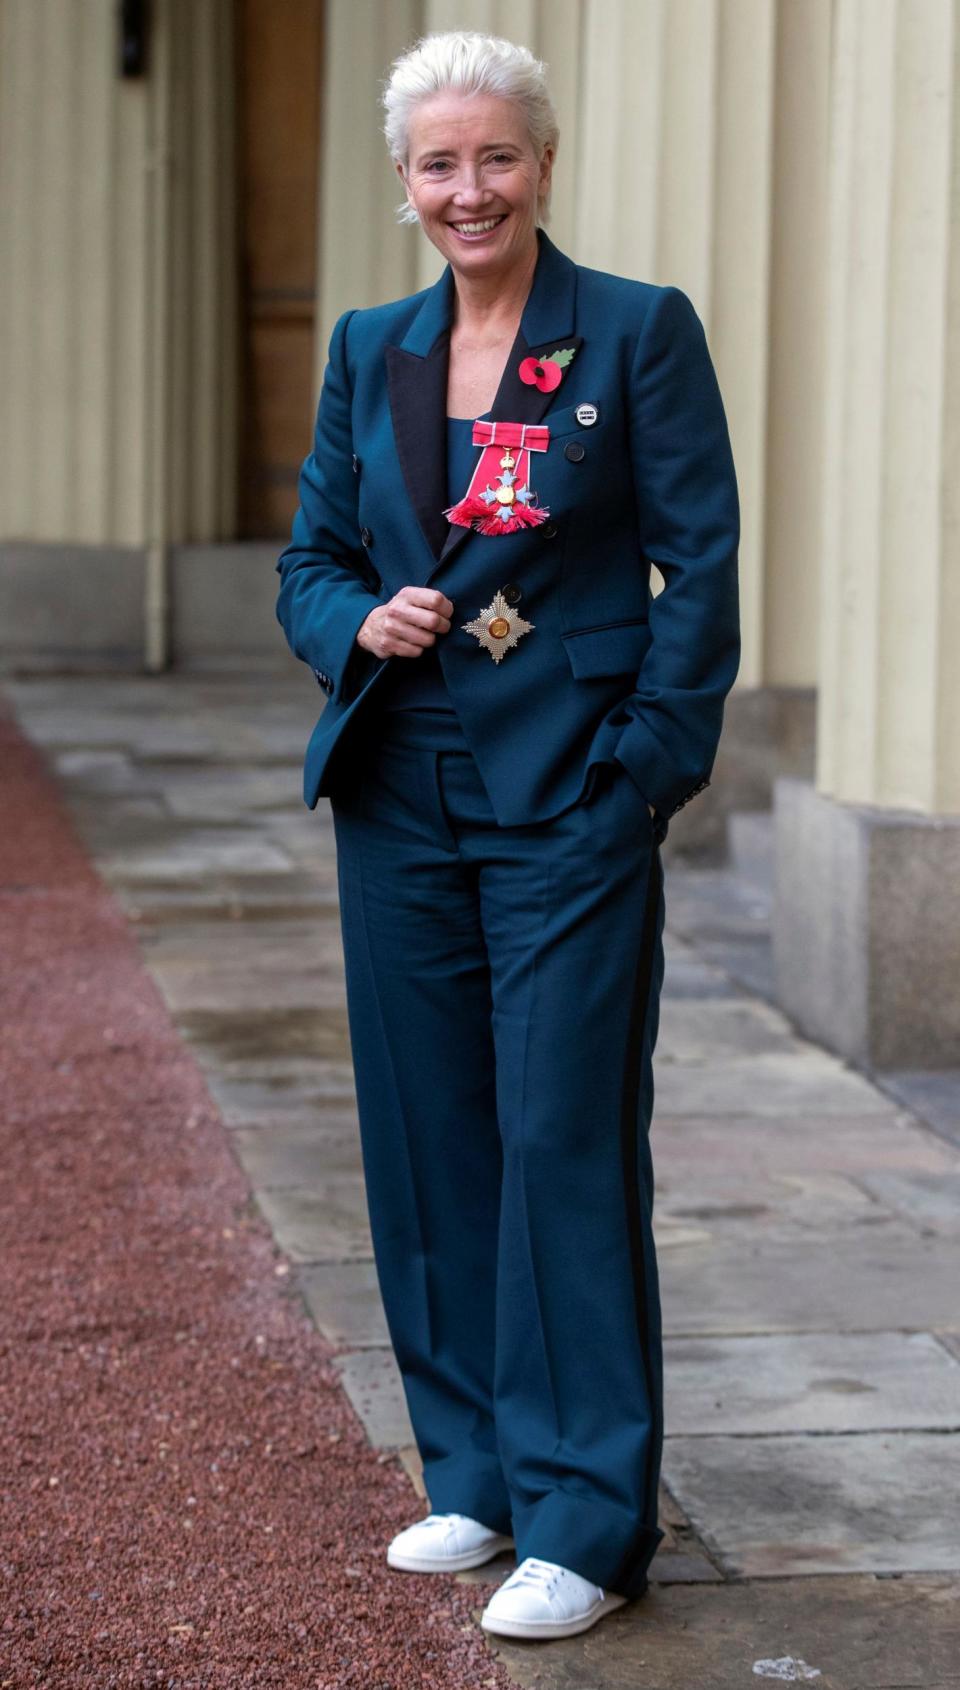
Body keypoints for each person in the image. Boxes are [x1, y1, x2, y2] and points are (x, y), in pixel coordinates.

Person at [275, 28, 740, 1644]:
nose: (468, 189)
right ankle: (472, 1465)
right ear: (403, 186)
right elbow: (308, 558)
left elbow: (703, 571)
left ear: (544, 161)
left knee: (557, 1140)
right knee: (429, 1135)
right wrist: (359, 619)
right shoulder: (369, 346)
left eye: (496, 157)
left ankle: (588, 1514)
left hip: (571, 799)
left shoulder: (635, 334)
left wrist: (646, 775)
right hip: (402, 789)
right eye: (437, 164)